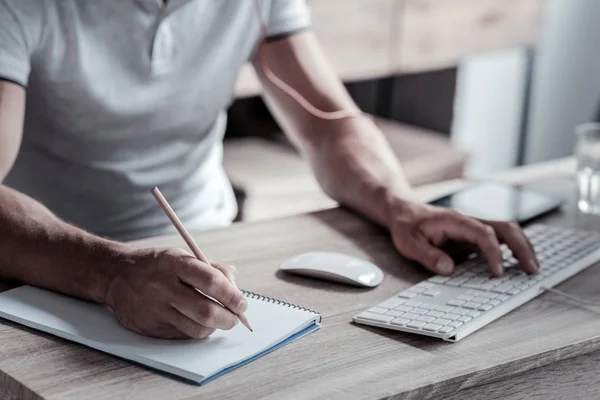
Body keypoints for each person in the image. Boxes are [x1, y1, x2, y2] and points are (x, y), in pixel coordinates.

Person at [0, 0, 538, 340]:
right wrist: (113, 272)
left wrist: (398, 202)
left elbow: (328, 123)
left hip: (211, 248)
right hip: (52, 270)